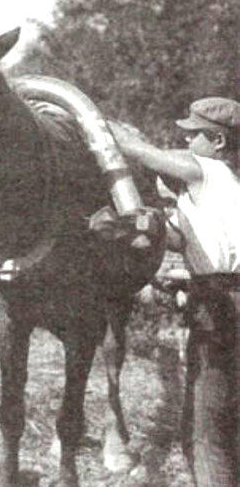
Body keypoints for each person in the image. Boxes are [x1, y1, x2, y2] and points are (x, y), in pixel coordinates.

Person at [112, 97, 240, 486]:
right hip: (220, 293)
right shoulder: (226, 184)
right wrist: (148, 230)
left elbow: (139, 151)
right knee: (226, 423)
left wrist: (110, 131)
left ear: (218, 140)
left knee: (204, 431)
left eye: (192, 135)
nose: (184, 143)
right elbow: (189, 241)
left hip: (223, 304)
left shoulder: (207, 171)